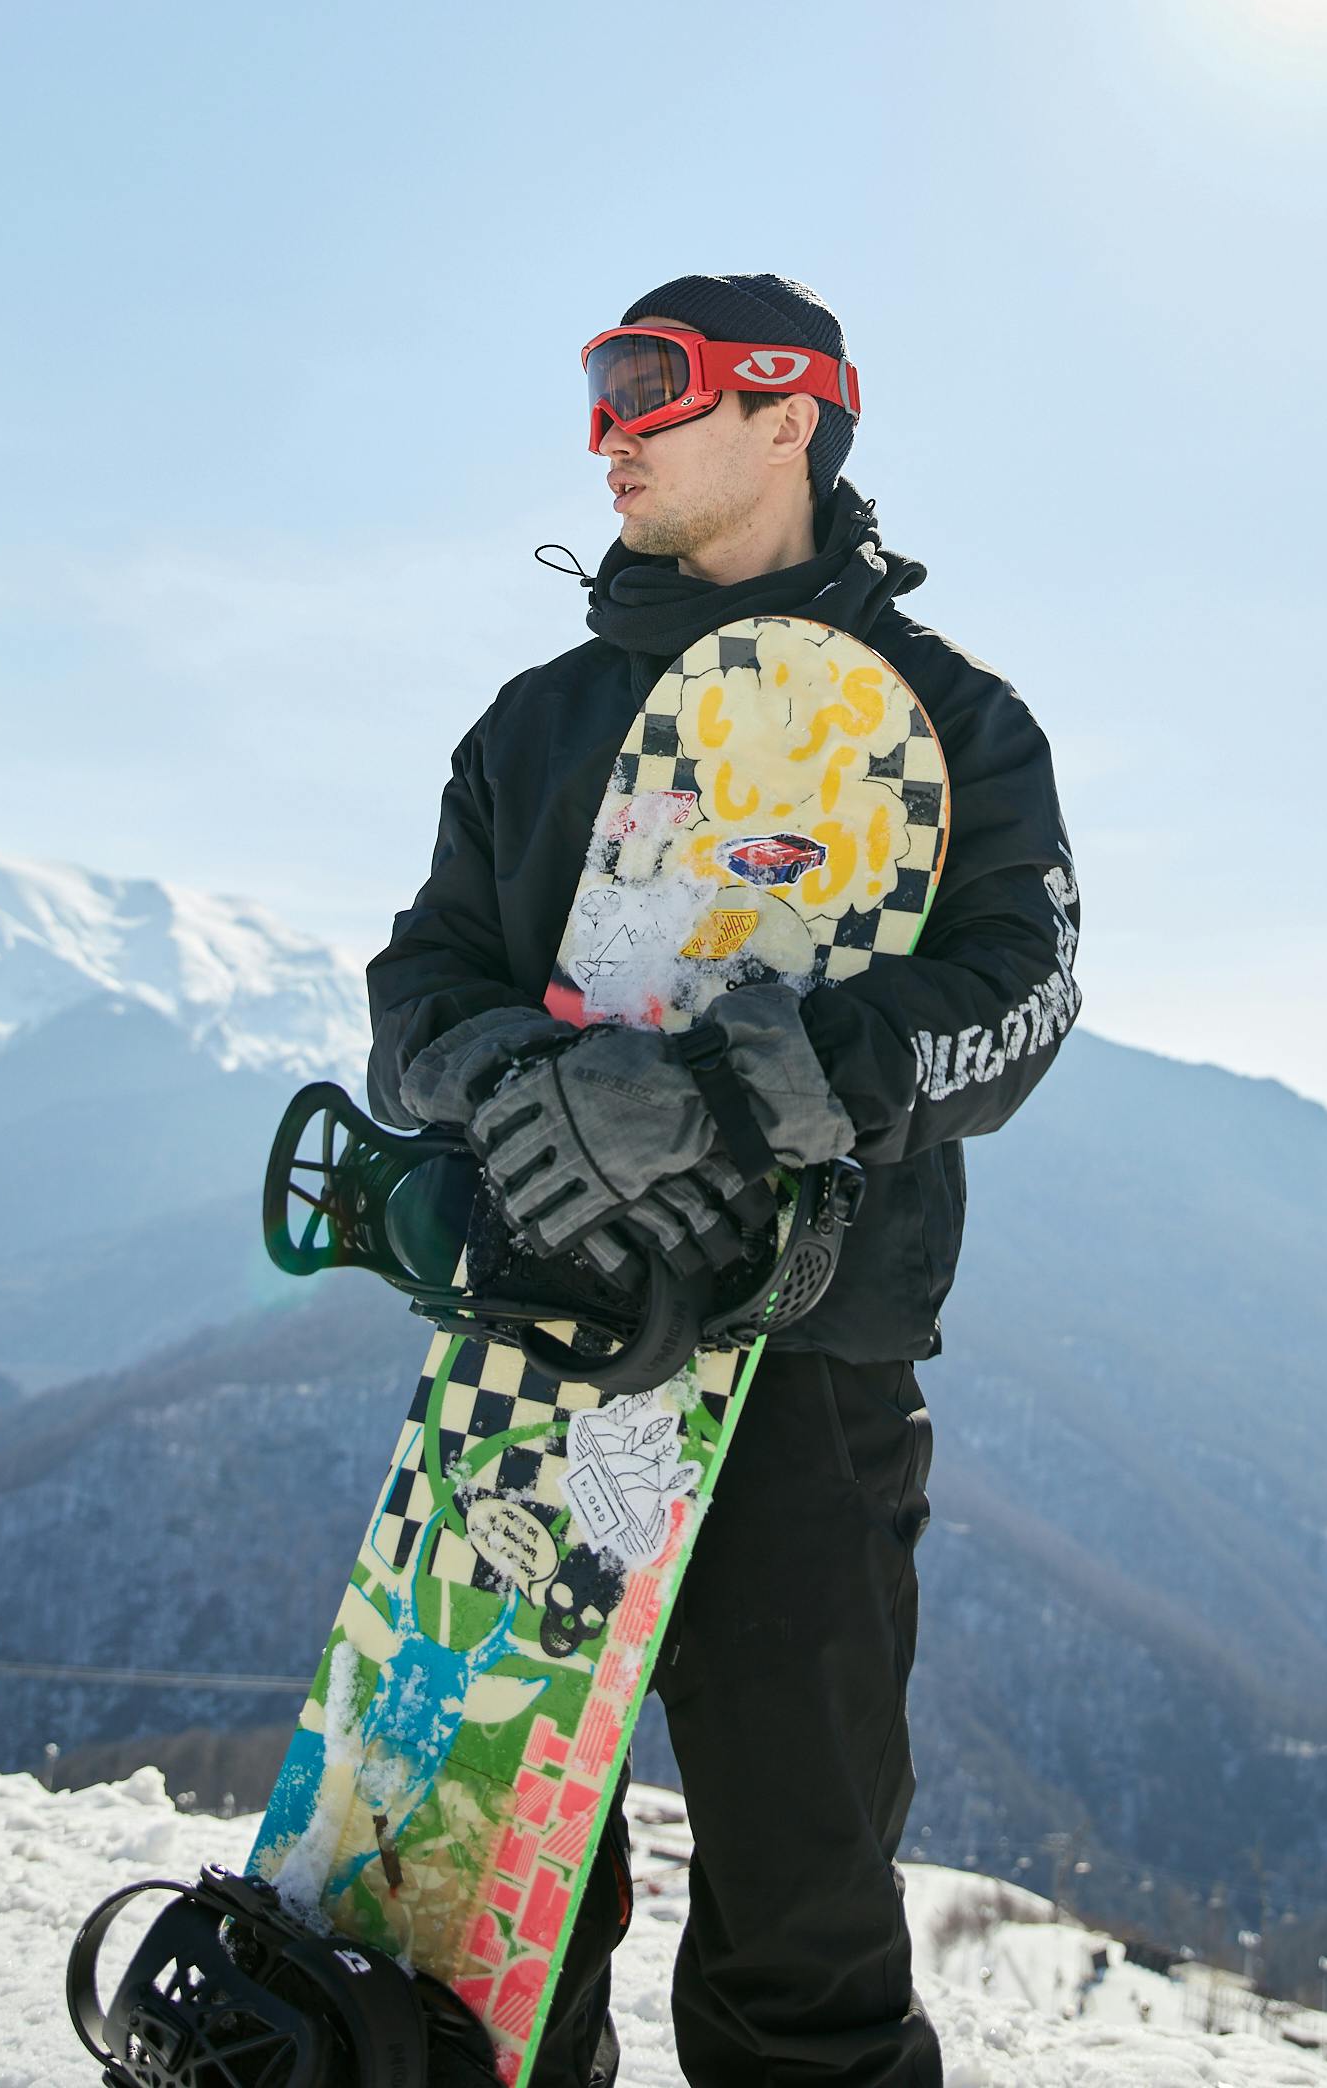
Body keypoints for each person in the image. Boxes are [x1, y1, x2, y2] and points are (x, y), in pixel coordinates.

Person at [367, 271, 1080, 2088]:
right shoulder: (534, 725)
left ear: (791, 412)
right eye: (595, 391)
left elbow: (1023, 996)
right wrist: (531, 1082)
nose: (606, 431)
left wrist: (747, 1088)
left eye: (648, 388)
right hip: (535, 1349)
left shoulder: (951, 719)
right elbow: (413, 991)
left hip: (806, 1378)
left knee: (799, 1920)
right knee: (478, 1902)